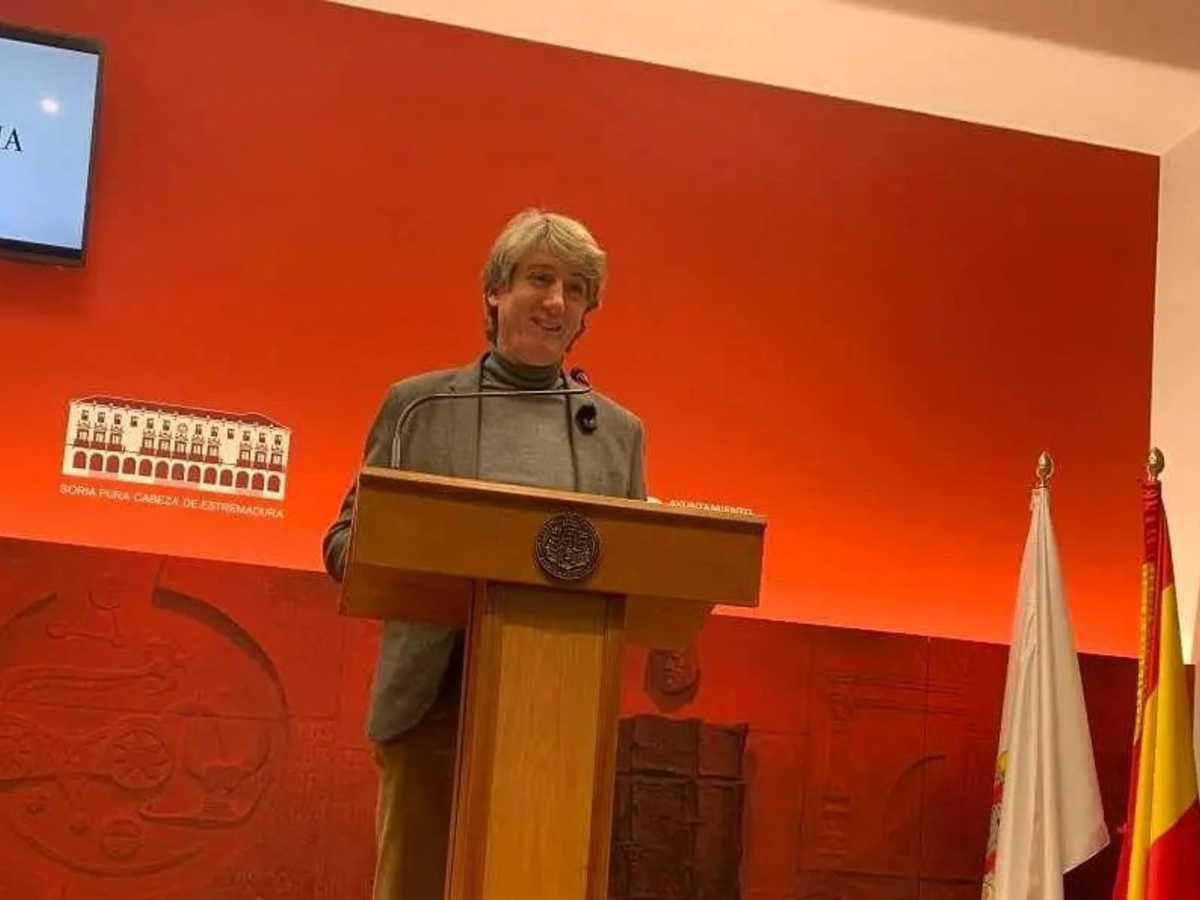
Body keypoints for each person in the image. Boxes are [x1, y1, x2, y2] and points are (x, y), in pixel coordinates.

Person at [321, 208, 648, 900]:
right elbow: (345, 542)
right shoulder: (419, 407)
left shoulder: (617, 435)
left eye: (576, 290)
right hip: (431, 699)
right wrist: (428, 557)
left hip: (561, 713)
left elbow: (637, 568)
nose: (556, 301)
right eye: (539, 279)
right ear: (495, 291)